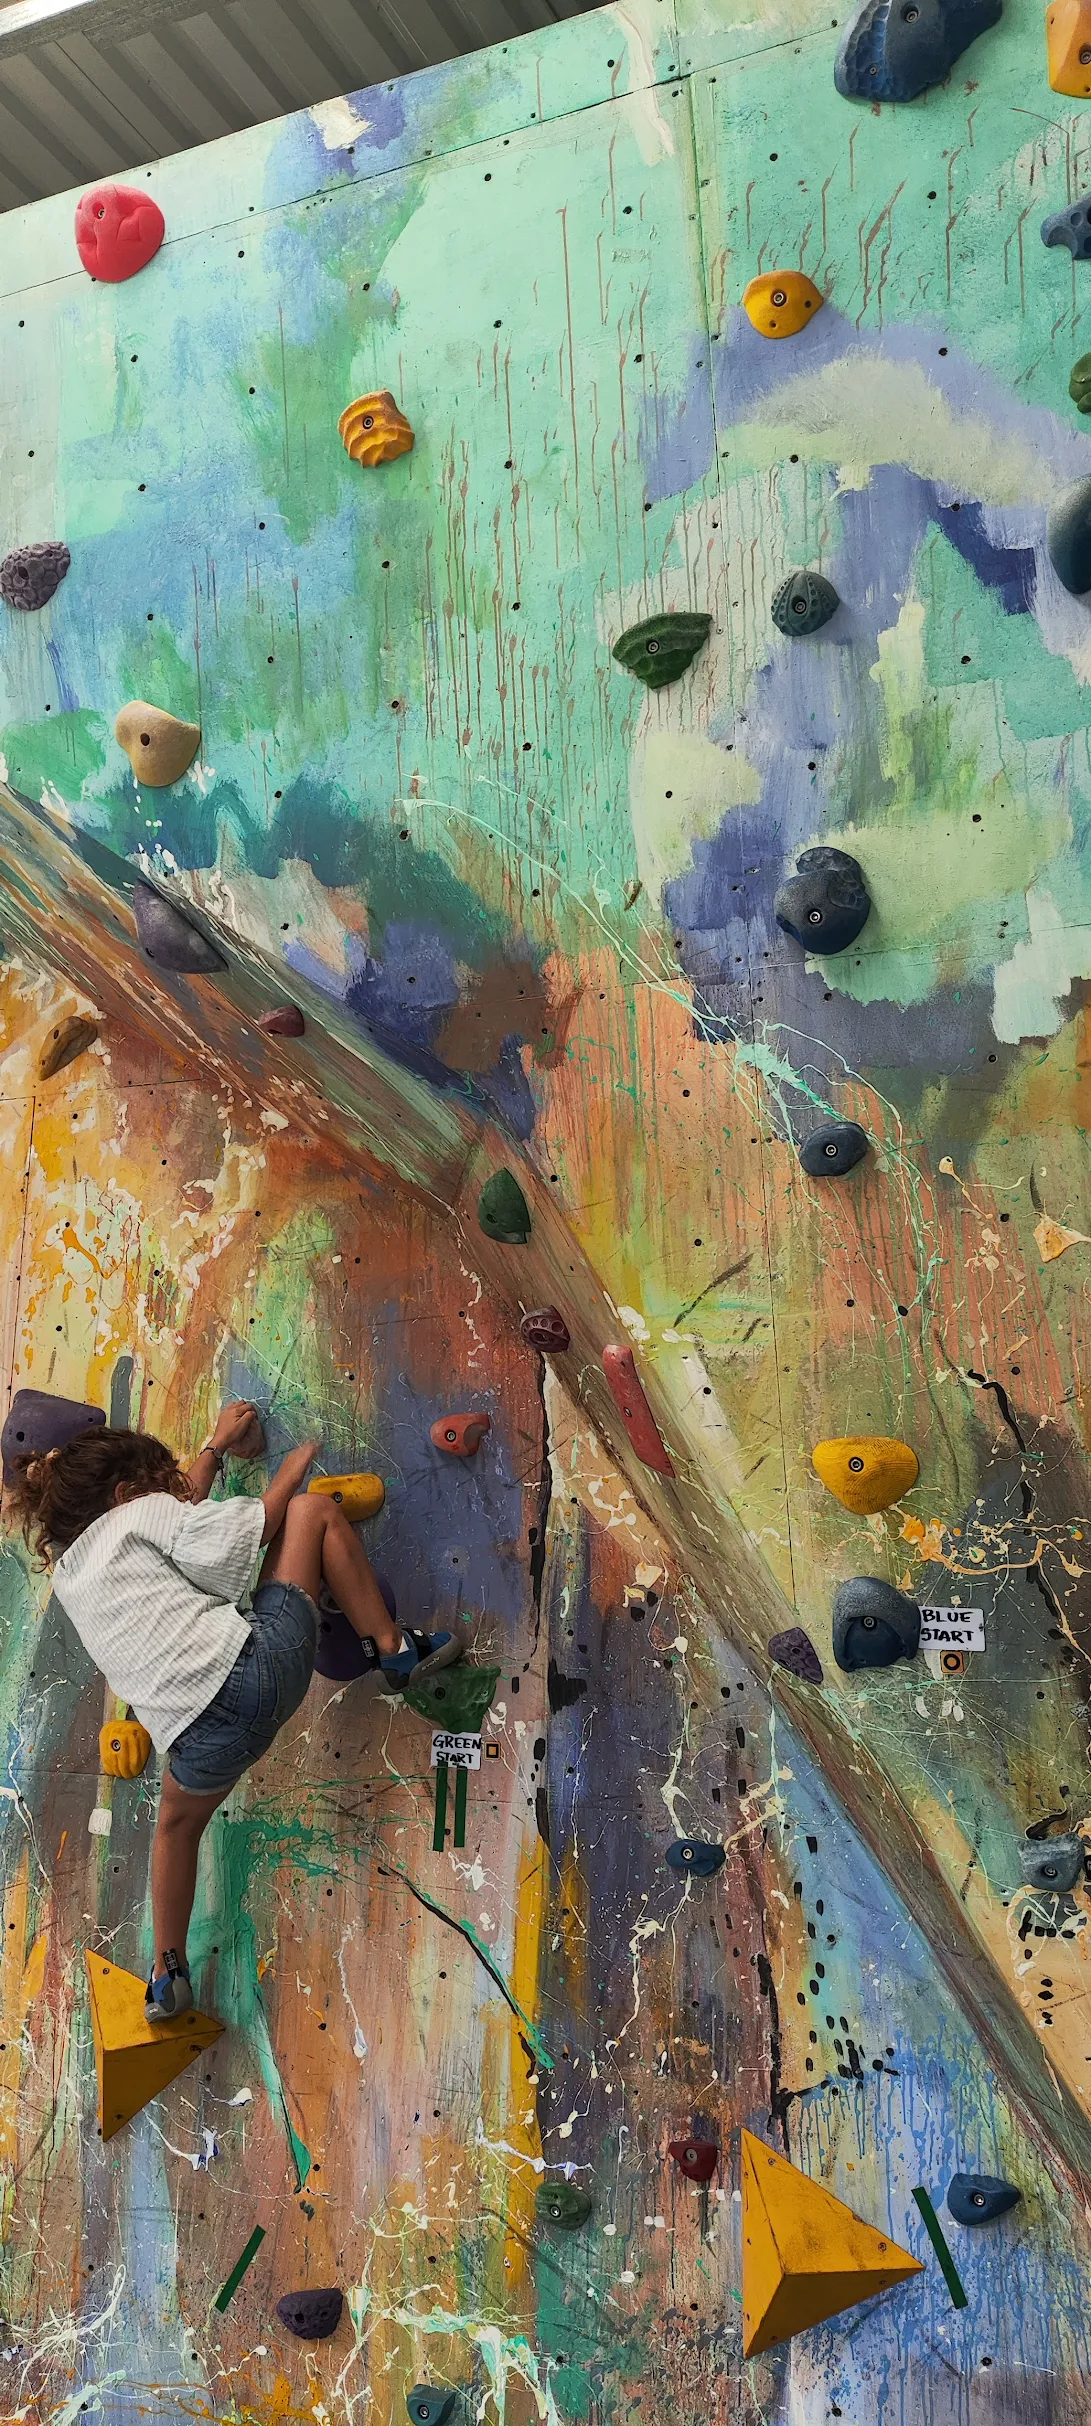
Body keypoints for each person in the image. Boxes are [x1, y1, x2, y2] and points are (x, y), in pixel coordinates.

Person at [6, 1403, 457, 2023]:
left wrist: (216, 1446)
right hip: (253, 1675)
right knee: (311, 1514)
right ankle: (395, 1650)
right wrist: (292, 1471)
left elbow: (178, 1517)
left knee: (175, 1828)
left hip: (197, 1738)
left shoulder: (77, 1571)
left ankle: (167, 1973)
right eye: (158, 1488)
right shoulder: (142, 1513)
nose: (175, 1496)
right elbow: (238, 1533)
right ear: (126, 1493)